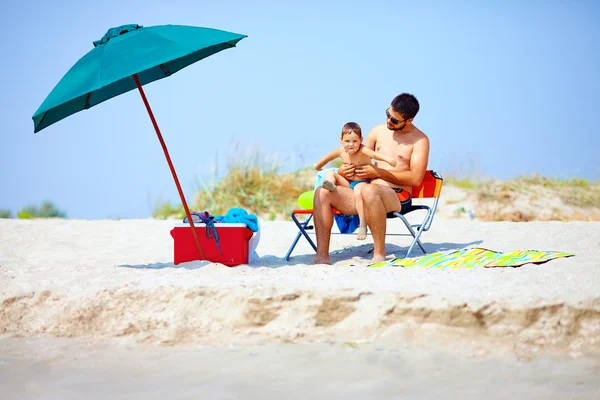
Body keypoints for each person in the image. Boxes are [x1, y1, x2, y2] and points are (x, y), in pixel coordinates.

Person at [312, 93, 430, 264]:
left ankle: (379, 254)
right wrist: (345, 171)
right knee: (322, 193)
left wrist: (378, 172)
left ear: (409, 120)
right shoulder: (377, 131)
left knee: (370, 190)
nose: (389, 121)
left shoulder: (420, 141)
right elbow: (359, 158)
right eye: (388, 115)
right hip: (363, 190)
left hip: (397, 195)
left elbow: (415, 179)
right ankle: (321, 256)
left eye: (395, 120)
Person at [314, 122, 397, 240]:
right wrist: (318, 167)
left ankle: (363, 225)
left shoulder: (363, 150)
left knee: (358, 190)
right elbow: (327, 158)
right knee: (330, 173)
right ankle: (331, 185)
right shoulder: (340, 151)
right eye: (347, 141)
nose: (351, 145)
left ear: (361, 140)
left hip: (363, 183)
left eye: (355, 141)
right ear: (341, 140)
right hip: (347, 183)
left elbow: (375, 155)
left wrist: (389, 160)